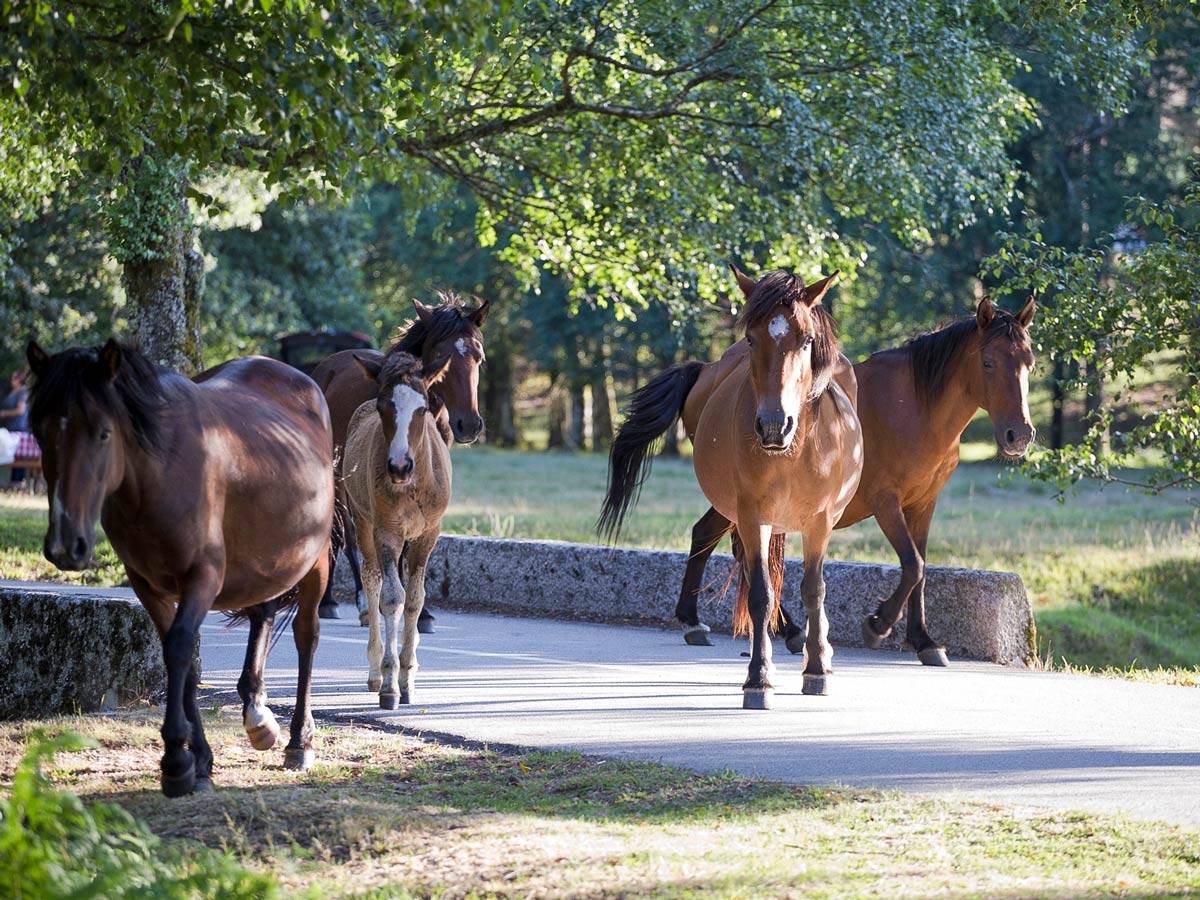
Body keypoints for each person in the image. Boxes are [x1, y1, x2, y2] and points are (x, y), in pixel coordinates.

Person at [1, 369, 29, 487]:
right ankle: (14, 481)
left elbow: (20, 410)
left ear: (19, 380)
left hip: (19, 427)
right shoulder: (13, 392)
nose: (11, 380)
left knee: (19, 454)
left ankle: (19, 481)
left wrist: (4, 413)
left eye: (13, 378)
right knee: (12, 454)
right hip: (10, 427)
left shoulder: (22, 392)